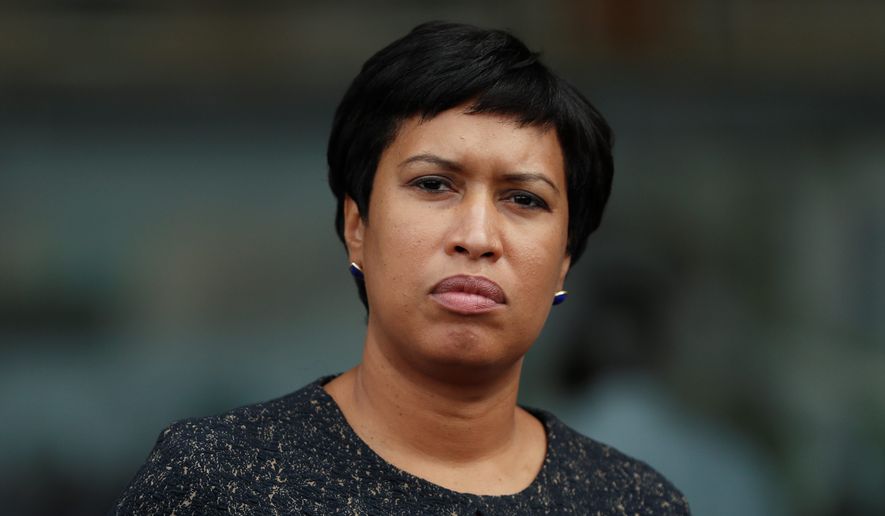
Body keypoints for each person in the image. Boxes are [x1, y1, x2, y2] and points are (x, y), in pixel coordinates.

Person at [111, 21, 690, 515]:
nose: (478, 237)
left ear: (565, 259)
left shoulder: (632, 501)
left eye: (524, 199)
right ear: (357, 226)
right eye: (433, 184)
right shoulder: (219, 481)